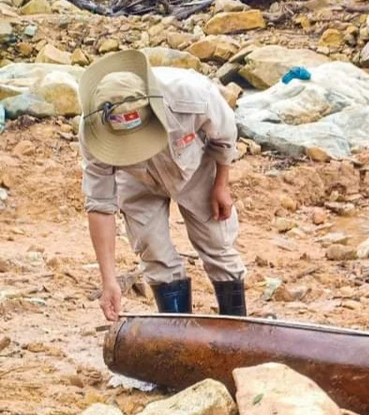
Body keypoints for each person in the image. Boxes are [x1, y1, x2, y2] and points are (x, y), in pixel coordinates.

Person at [78, 49, 247, 320]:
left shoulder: (192, 96)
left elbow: (225, 136)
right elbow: (100, 206)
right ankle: (178, 340)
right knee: (154, 252)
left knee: (218, 243)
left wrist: (221, 184)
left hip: (194, 168)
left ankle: (238, 332)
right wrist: (108, 281)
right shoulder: (93, 132)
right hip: (136, 181)